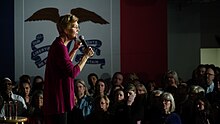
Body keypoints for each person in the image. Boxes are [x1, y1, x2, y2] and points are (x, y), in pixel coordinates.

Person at [43, 13, 94, 124]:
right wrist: (86, 56)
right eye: (75, 27)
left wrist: (75, 49)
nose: (78, 30)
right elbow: (72, 72)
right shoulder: (60, 47)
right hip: (58, 101)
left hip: (58, 101)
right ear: (65, 29)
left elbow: (65, 66)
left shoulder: (60, 45)